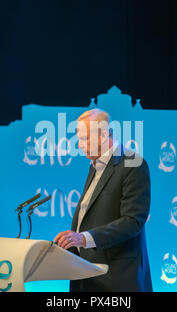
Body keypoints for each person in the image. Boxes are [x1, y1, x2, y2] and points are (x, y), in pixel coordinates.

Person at [53, 109, 152, 292]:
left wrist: (83, 238)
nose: (80, 145)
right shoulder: (95, 166)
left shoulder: (132, 164)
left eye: (85, 139)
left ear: (105, 134)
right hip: (86, 276)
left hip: (116, 280)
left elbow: (132, 221)